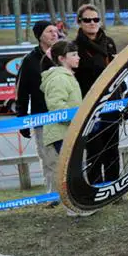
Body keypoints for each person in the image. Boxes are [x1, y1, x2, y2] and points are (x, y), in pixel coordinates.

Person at [39, 40, 91, 214]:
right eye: (73, 55)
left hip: (70, 131)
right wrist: (76, 120)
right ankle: (74, 207)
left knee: (75, 168)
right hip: (61, 133)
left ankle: (79, 204)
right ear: (61, 58)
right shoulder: (59, 78)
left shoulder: (67, 76)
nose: (78, 57)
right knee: (69, 171)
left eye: (77, 54)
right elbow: (57, 107)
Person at [72, 3, 120, 184]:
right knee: (94, 150)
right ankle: (95, 188)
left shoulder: (109, 43)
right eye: (87, 20)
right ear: (79, 22)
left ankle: (114, 187)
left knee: (112, 149)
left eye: (96, 19)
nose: (92, 23)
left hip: (112, 103)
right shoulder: (75, 47)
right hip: (90, 104)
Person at [15, 20, 59, 195]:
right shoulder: (30, 60)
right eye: (49, 31)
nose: (54, 34)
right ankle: (53, 195)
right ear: (40, 36)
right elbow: (22, 91)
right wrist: (22, 119)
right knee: (48, 159)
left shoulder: (63, 55)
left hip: (66, 116)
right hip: (42, 118)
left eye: (56, 31)